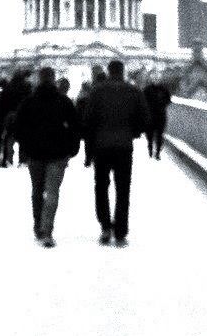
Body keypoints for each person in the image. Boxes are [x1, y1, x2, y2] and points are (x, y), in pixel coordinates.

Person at [81, 59, 150, 246]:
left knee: (101, 187)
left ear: (108, 71)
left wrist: (91, 143)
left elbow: (87, 120)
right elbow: (145, 118)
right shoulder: (133, 91)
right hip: (124, 146)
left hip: (101, 146)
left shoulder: (96, 91)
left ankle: (105, 226)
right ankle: (120, 231)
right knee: (123, 189)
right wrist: (132, 132)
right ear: (123, 71)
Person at [13, 66, 81, 247]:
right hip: (58, 154)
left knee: (37, 190)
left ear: (38, 79)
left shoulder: (28, 102)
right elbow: (75, 127)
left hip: (34, 154)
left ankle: (38, 225)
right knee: (52, 192)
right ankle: (47, 230)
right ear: (54, 79)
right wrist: (72, 149)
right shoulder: (64, 101)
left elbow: (18, 128)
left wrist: (25, 147)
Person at [76, 65, 107, 167]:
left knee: (89, 141)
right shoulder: (106, 90)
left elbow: (81, 105)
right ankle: (95, 158)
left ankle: (89, 159)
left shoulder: (90, 90)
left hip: (91, 121)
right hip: (100, 122)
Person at [143, 75, 172, 159]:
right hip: (150, 116)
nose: (156, 80)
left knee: (159, 135)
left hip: (160, 116)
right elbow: (142, 100)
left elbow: (168, 100)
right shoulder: (147, 89)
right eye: (154, 78)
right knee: (149, 135)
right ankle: (150, 148)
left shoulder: (164, 89)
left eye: (157, 78)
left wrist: (162, 105)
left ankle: (158, 153)